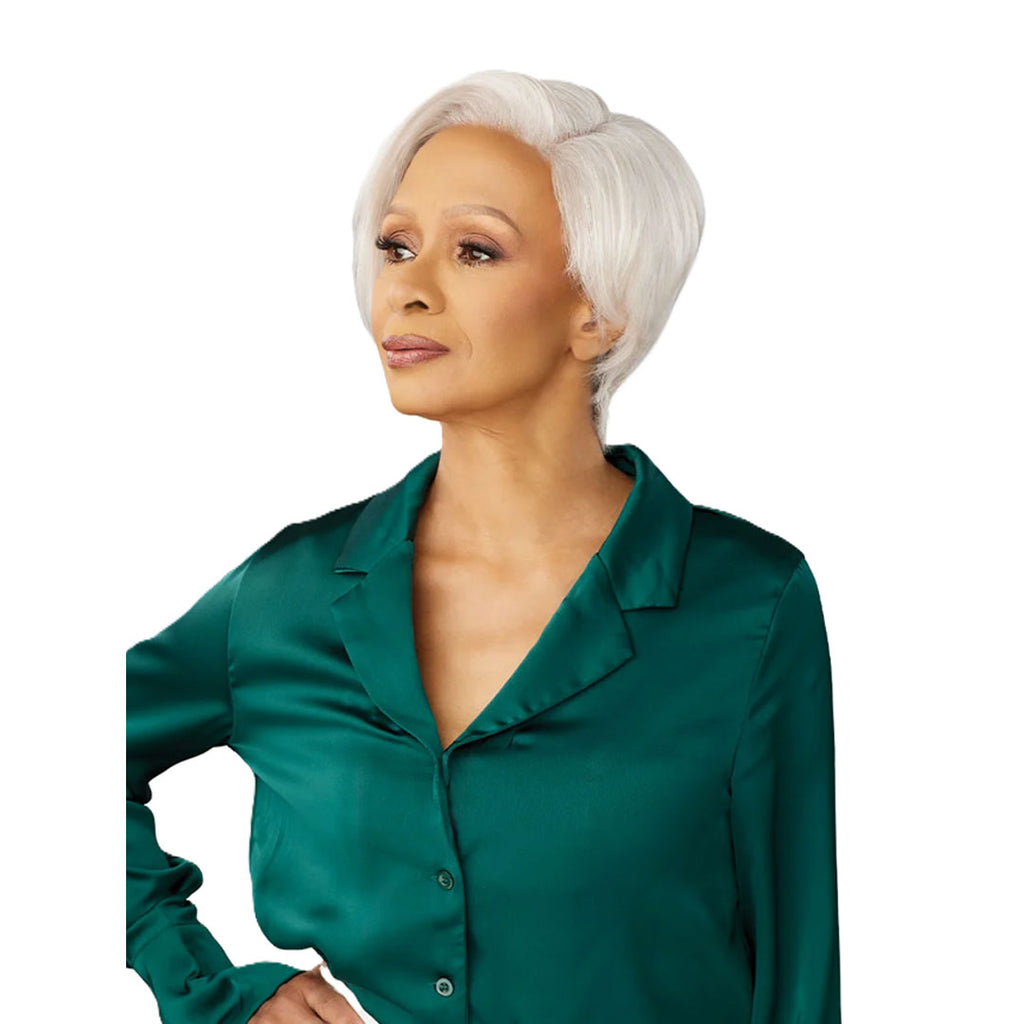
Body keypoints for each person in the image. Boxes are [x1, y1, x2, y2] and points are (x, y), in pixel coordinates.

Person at [127, 68, 842, 1024]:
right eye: (396, 246)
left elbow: (798, 969)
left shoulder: (745, 604)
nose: (407, 289)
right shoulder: (286, 596)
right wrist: (212, 993)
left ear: (600, 312)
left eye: (474, 250)